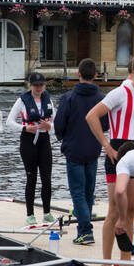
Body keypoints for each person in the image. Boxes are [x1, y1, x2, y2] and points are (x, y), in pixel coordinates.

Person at [85, 55, 134, 266]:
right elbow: (91, 116)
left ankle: (125, 263)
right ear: (132, 73)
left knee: (133, 210)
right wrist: (107, 146)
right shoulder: (120, 93)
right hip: (117, 151)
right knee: (115, 211)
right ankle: (107, 262)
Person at [53, 58, 104, 246]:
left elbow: (59, 124)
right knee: (89, 191)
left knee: (78, 192)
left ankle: (85, 231)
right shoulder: (101, 98)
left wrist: (62, 137)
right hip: (93, 149)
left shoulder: (69, 97)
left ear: (78, 74)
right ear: (96, 75)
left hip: (74, 149)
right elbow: (105, 123)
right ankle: (85, 227)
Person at [6, 72, 55, 224]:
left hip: (44, 139)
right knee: (31, 178)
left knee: (46, 178)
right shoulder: (22, 100)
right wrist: (25, 128)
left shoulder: (48, 100)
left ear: (44, 86)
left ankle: (47, 212)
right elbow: (9, 122)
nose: (38, 88)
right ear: (30, 85)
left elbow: (57, 122)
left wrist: (49, 126)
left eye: (41, 85)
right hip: (28, 141)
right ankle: (30, 214)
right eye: (35, 85)